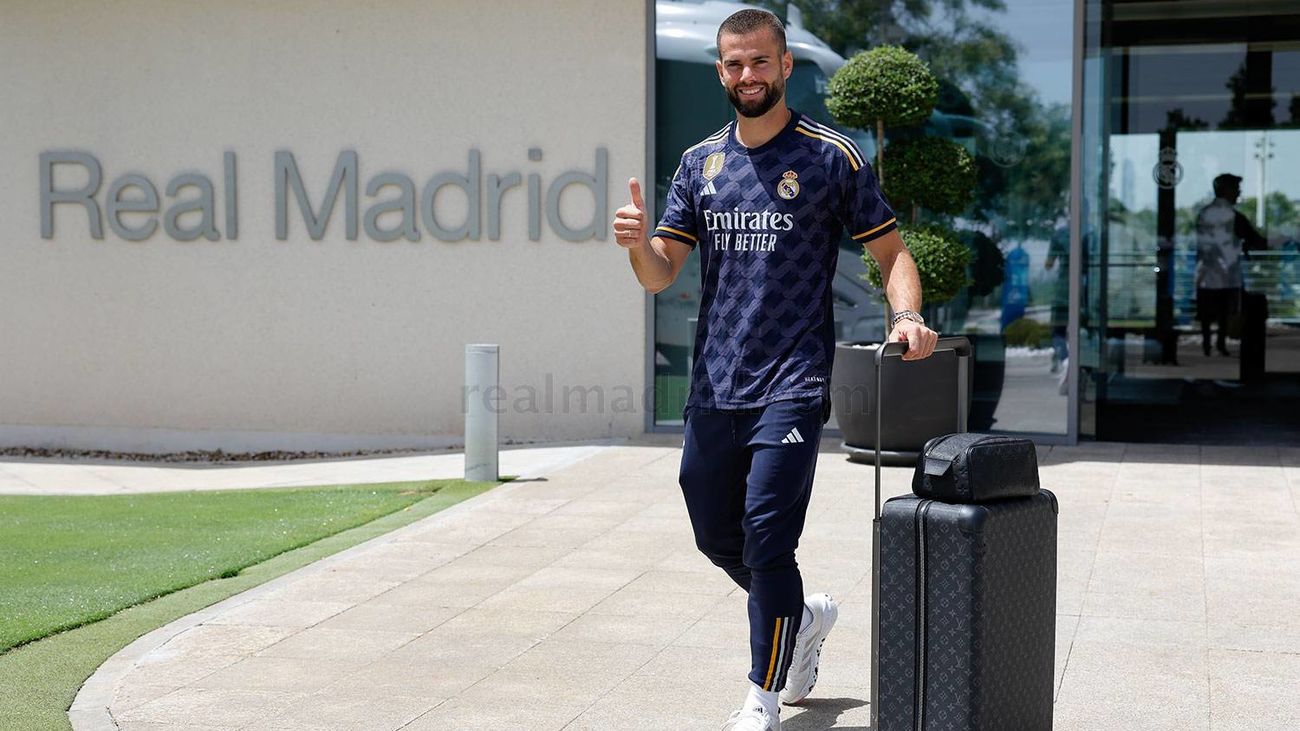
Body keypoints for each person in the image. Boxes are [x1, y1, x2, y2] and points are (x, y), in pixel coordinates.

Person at [611, 9, 937, 730]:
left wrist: (906, 316)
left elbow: (893, 254)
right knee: (714, 533)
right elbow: (662, 272)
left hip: (792, 379)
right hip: (715, 382)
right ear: (720, 71)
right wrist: (638, 244)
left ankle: (763, 692)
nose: (747, 75)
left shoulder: (829, 156)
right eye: (733, 64)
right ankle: (803, 616)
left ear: (786, 66)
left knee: (766, 534)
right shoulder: (700, 163)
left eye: (760, 62)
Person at [1195, 173, 1266, 357]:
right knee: (1226, 310)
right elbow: (1256, 240)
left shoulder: (1204, 214)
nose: (1239, 192)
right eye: (1236, 188)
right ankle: (1219, 345)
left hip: (1206, 272)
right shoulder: (1235, 217)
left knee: (1207, 312)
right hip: (1227, 273)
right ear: (1227, 190)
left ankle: (1207, 345)